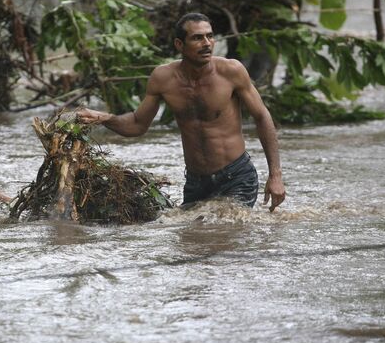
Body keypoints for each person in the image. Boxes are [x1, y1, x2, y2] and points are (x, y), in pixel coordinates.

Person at [77, 12, 286, 211]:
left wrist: (275, 175)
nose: (206, 44)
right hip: (196, 183)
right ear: (179, 44)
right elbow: (137, 124)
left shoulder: (231, 71)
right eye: (197, 38)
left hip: (236, 176)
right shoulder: (163, 78)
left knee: (223, 233)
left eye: (210, 36)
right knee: (191, 241)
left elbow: (262, 116)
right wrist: (103, 117)